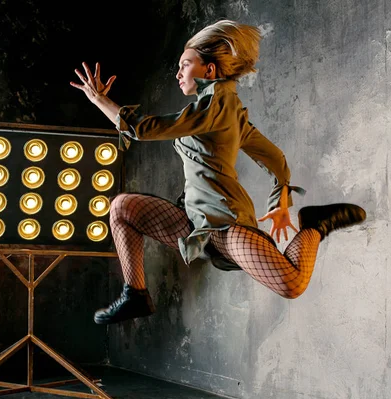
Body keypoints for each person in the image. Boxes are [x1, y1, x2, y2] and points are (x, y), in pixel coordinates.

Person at [70, 19, 366, 325]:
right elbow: (275, 158)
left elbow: (144, 129)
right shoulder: (223, 109)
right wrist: (281, 203)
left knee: (291, 283)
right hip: (195, 223)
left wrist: (99, 99)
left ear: (209, 71)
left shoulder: (216, 104)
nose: (178, 73)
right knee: (122, 208)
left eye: (185, 65)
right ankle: (135, 294)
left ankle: (315, 225)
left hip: (225, 225)